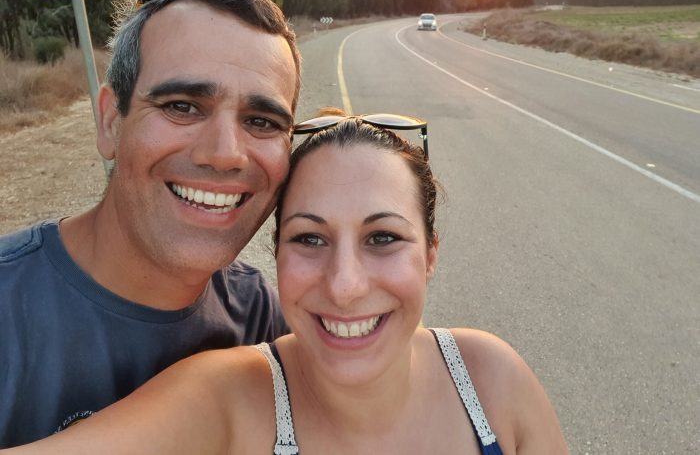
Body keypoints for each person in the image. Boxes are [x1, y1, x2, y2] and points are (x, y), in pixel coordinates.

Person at [3, 112, 569, 454]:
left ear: (430, 256)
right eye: (310, 239)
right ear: (276, 255)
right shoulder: (231, 399)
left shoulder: (492, 381)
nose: (345, 285)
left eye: (383, 239)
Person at [0, 0, 301, 447]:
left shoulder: (256, 315)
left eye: (261, 121)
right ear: (110, 122)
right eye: (182, 106)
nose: (225, 154)